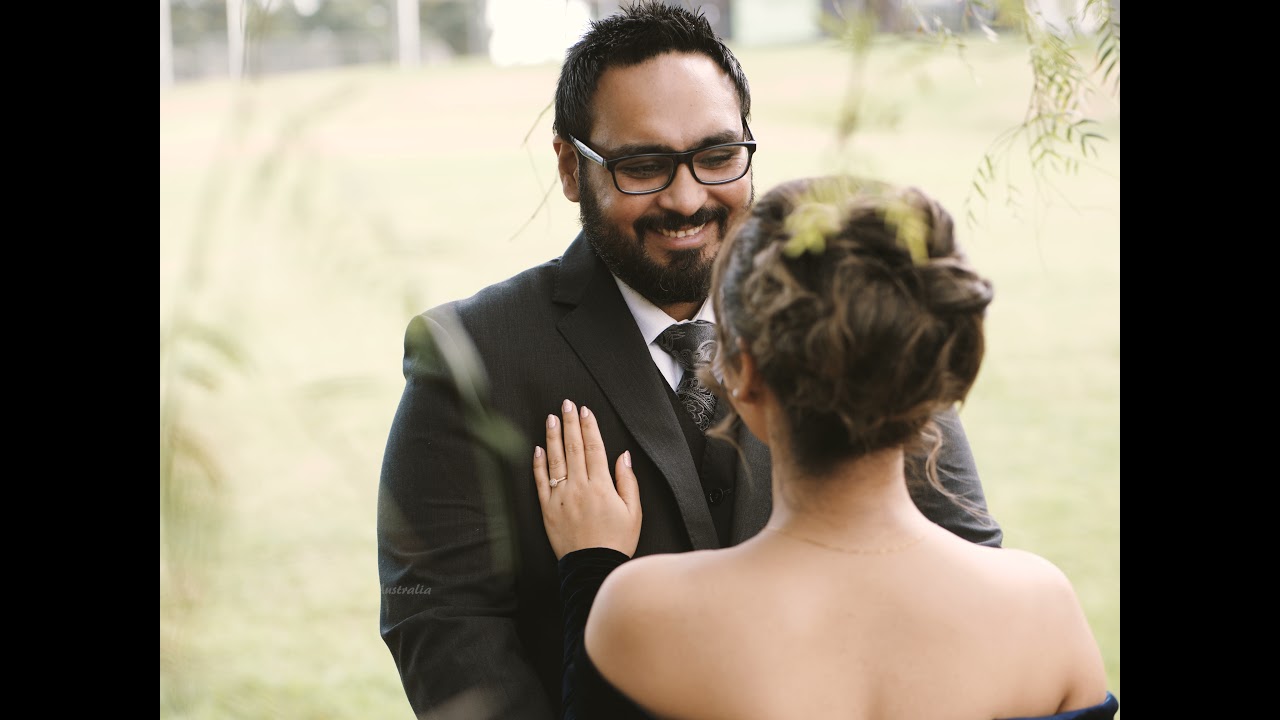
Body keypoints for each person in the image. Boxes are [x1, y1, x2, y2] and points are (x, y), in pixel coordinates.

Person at [377, 3, 1002, 719]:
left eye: (717, 156)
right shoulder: (469, 355)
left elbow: (962, 556)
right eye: (643, 166)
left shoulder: (853, 310)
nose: (686, 198)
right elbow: (441, 620)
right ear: (571, 168)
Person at [533, 174, 1118, 720]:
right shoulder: (1044, 611)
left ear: (744, 376)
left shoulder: (640, 613)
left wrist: (591, 566)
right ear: (931, 376)